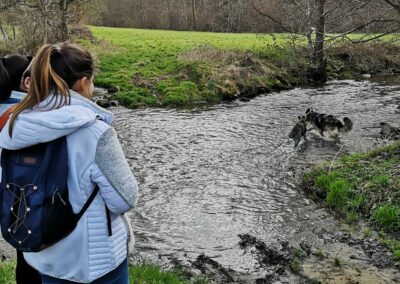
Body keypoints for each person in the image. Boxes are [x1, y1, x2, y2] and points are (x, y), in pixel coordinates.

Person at [0, 42, 139, 283]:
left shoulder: (13, 127)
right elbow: (123, 199)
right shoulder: (95, 132)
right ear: (84, 83)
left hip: (42, 254)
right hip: (95, 265)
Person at [0, 54, 41, 284]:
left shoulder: (7, 109)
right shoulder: (26, 116)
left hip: (9, 194)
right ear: (26, 82)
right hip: (26, 193)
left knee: (23, 256)